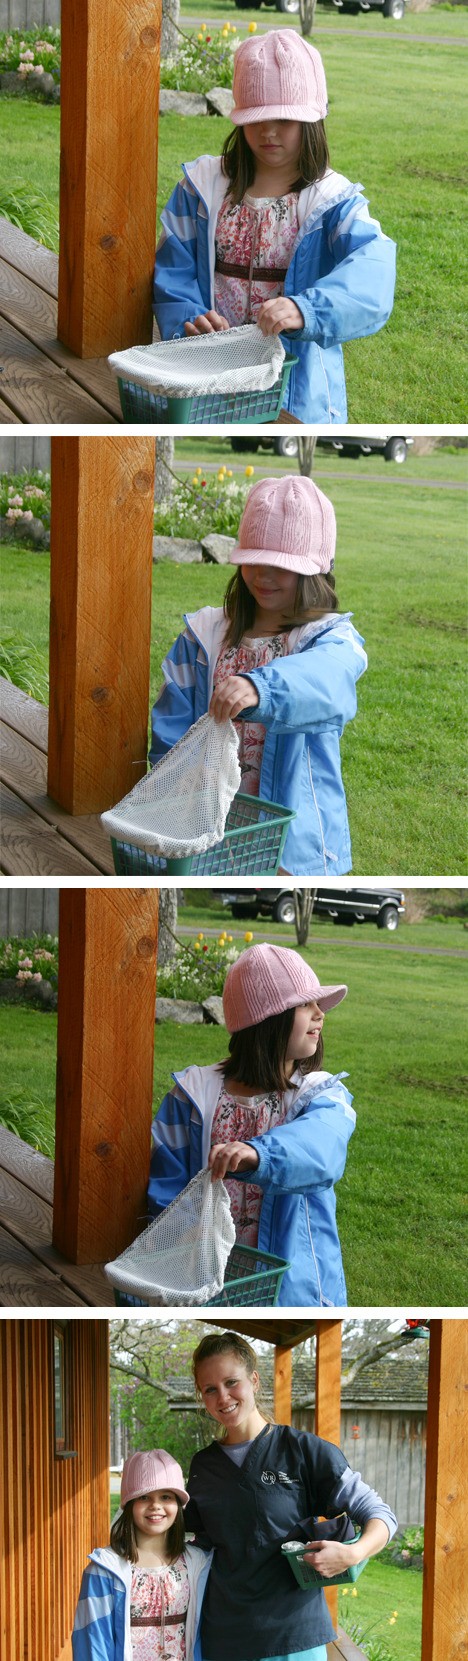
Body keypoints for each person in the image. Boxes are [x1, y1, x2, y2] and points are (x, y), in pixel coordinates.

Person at [153, 29, 396, 423]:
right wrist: (188, 318)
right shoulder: (201, 189)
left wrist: (306, 309)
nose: (268, 132)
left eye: (284, 119)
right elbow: (174, 268)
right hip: (210, 379)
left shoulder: (332, 202)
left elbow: (374, 275)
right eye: (256, 119)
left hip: (296, 393)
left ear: (311, 120)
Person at [150, 473, 367, 877]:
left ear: (315, 570)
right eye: (253, 562)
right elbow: (171, 732)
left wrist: (259, 686)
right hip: (207, 828)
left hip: (291, 839)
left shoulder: (329, 640)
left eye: (280, 566)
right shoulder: (203, 636)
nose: (263, 577)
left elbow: (330, 683)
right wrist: (169, 800)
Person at [148, 942, 355, 1307]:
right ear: (266, 1020)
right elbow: (167, 1194)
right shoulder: (192, 1097)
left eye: (317, 1003)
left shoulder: (321, 1095)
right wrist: (175, 1263)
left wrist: (259, 1154)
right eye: (304, 1004)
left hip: (291, 1288)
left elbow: (324, 1151)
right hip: (207, 1282)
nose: (319, 1013)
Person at [185, 1331, 397, 1661]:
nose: (223, 1397)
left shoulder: (302, 1451)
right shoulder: (203, 1466)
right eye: (210, 1389)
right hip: (225, 1636)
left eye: (231, 1382)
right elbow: (196, 1543)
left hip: (294, 1637)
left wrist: (353, 1555)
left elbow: (380, 1515)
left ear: (254, 1380)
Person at [72, 1450, 211, 1661]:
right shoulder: (104, 1571)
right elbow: (92, 1643)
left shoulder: (197, 1564)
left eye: (166, 1496)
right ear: (129, 1505)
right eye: (144, 1497)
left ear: (178, 1505)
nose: (156, 1505)